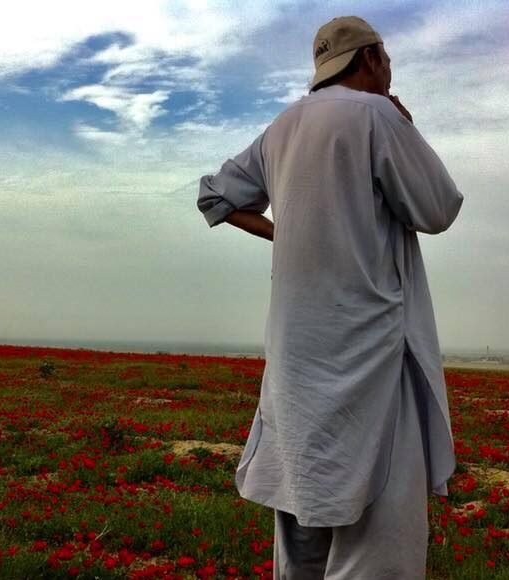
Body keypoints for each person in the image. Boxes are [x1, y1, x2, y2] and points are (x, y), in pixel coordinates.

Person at [197, 15, 463, 579]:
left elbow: (216, 197)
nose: (389, 70)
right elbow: (438, 208)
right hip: (371, 358)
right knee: (379, 541)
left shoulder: (282, 127)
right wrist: (406, 125)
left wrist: (284, 233)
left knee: (302, 525)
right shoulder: (376, 114)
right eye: (386, 59)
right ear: (370, 58)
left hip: (295, 363)